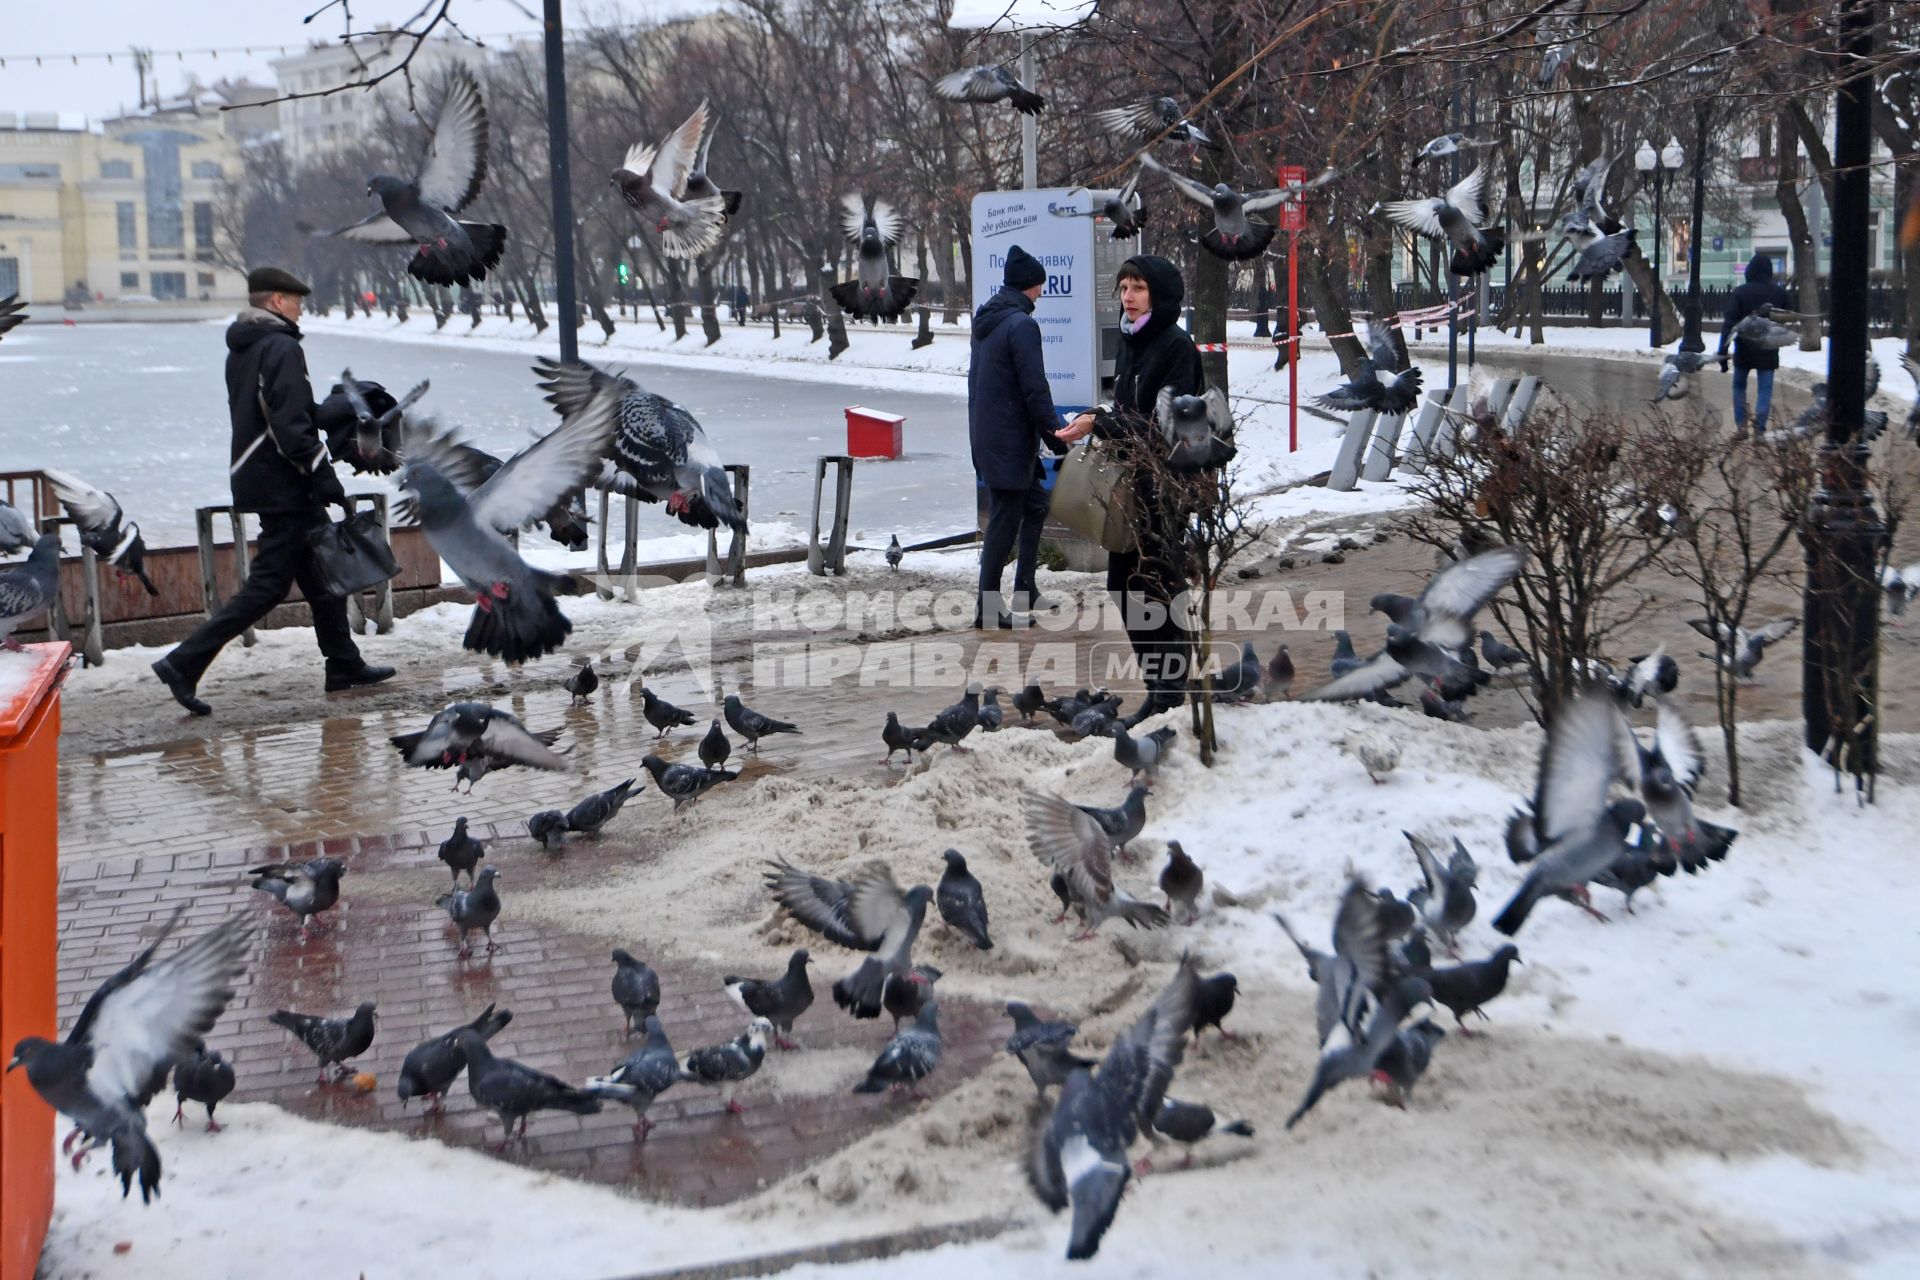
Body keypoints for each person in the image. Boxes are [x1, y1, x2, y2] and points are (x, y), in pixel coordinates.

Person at [150, 267, 394, 716]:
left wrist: (337, 407)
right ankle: (182, 664)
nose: (302, 307)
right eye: (296, 300)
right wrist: (324, 476)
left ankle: (343, 663)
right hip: (285, 480)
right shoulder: (281, 346)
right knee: (267, 588)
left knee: (322, 578)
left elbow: (281, 411)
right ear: (277, 302)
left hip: (263, 475)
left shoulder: (246, 347)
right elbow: (289, 427)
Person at [1057, 255, 1205, 725]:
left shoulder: (1176, 348)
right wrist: (1101, 418)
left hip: (1165, 488)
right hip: (1130, 488)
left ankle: (1168, 694)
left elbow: (1166, 426)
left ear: (1157, 295)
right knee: (1127, 585)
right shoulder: (1131, 342)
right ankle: (1163, 689)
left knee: (1152, 587)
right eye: (1123, 287)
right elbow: (1129, 410)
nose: (1128, 297)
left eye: (1138, 288)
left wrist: (1100, 421)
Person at [967, 244, 1070, 628]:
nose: (1042, 292)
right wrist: (1055, 433)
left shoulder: (989, 320)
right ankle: (988, 608)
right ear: (1033, 285)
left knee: (1035, 505)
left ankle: (1025, 586)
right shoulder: (1021, 325)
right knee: (1004, 520)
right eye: (1041, 286)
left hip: (990, 434)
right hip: (1008, 440)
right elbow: (1033, 387)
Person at [1715, 253, 1794, 439]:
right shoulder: (1780, 293)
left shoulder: (1740, 292)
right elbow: (1787, 319)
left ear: (1750, 270)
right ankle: (1759, 430)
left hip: (1744, 349)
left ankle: (1741, 427)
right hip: (1768, 349)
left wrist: (1722, 352)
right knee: (1765, 389)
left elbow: (1729, 324)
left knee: (1739, 386)